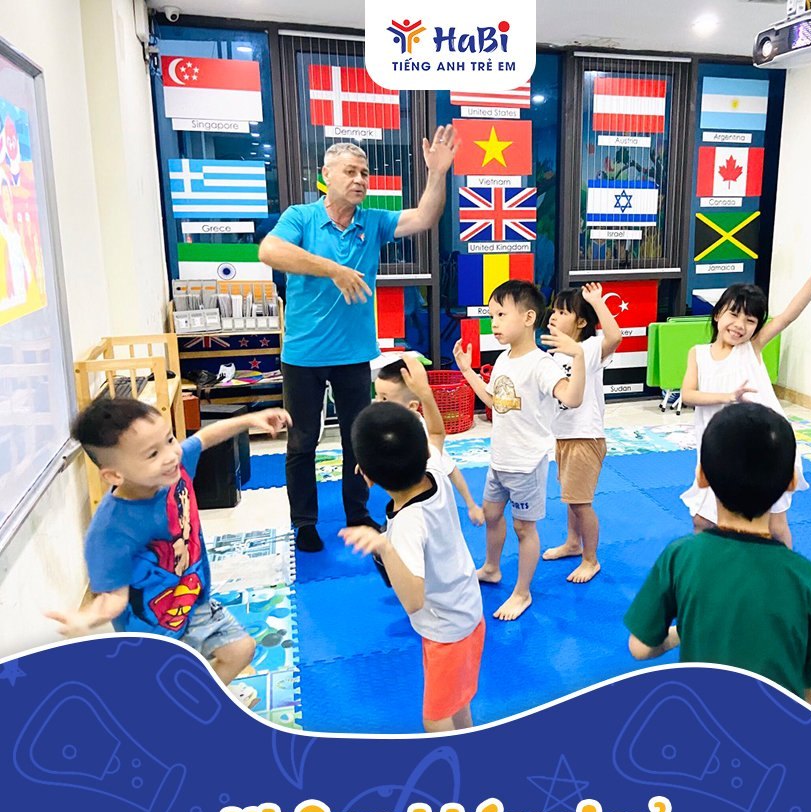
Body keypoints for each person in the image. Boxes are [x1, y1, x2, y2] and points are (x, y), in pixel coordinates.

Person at [258, 129, 458, 552]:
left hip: (353, 354)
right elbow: (269, 251)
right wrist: (333, 269)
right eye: (350, 172)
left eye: (364, 173)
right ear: (326, 175)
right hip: (303, 355)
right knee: (302, 442)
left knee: (357, 439)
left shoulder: (374, 221)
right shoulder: (301, 217)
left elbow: (425, 217)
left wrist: (437, 174)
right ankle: (304, 522)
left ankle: (357, 512)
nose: (360, 180)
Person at [46, 398, 292, 708]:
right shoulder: (111, 530)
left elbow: (205, 437)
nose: (171, 455)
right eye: (152, 454)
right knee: (164, 689)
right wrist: (87, 618)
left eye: (169, 439)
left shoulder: (174, 468)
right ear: (114, 475)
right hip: (154, 629)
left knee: (241, 650)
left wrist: (250, 420)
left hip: (193, 600)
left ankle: (202, 695)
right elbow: (113, 598)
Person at [624, 403, 811, 705]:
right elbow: (808, 688)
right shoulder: (807, 578)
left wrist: (682, 632)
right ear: (792, 482)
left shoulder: (680, 557)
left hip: (703, 722)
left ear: (701, 476)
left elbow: (640, 647)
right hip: (777, 729)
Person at [340, 355, 485, 733]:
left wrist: (383, 546)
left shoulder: (406, 524)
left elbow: (413, 600)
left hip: (445, 629)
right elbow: (437, 433)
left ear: (368, 476)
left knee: (435, 718)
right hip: (467, 609)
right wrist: (426, 394)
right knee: (458, 701)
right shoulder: (432, 466)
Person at [680, 242, 811, 548]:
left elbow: (788, 316)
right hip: (719, 446)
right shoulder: (698, 353)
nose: (740, 325)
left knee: (775, 526)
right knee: (702, 519)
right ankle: (710, 567)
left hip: (766, 446)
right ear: (717, 314)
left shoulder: (750, 348)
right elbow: (688, 394)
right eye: (734, 315)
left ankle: (782, 571)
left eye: (750, 321)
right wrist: (728, 396)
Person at [453, 280, 587, 621]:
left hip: (527, 464)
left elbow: (572, 398)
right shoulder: (503, 359)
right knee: (491, 516)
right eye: (491, 316)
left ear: (528, 318)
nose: (494, 323)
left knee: (524, 529)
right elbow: (493, 401)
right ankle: (491, 568)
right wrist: (467, 370)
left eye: (501, 315)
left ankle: (522, 592)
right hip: (499, 460)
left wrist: (579, 356)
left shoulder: (542, 364)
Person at [542, 282, 622, 584]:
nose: (554, 316)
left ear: (581, 322)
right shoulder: (553, 355)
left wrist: (597, 302)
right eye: (554, 311)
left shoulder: (588, 349)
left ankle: (591, 559)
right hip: (564, 436)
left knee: (580, 502)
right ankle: (573, 543)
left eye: (563, 312)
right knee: (571, 497)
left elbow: (614, 337)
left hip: (585, 437)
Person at [373, 357, 485, 527]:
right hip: (401, 502)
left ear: (411, 406)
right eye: (376, 396)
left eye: (384, 399)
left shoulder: (423, 439)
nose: (377, 404)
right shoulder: (387, 424)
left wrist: (471, 505)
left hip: (427, 508)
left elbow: (450, 468)